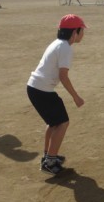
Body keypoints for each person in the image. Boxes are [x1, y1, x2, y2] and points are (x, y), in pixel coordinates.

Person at [27, 14, 86, 175]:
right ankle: (50, 161)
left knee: (54, 123)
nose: (83, 33)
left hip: (35, 88)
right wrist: (76, 97)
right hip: (41, 90)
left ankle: (48, 157)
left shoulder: (58, 43)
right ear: (74, 32)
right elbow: (63, 76)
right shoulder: (65, 48)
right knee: (63, 122)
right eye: (81, 30)